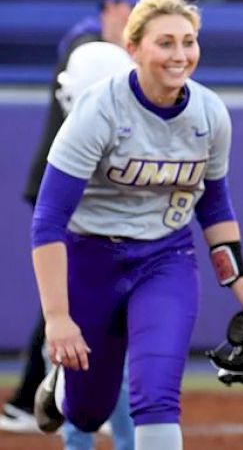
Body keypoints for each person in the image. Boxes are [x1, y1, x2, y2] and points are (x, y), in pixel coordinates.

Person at [30, 0, 243, 450]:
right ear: (133, 48)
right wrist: (56, 318)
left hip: (165, 258)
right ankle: (63, 387)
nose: (180, 54)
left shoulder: (209, 113)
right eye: (165, 42)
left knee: (156, 394)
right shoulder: (100, 110)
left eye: (188, 40)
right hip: (92, 259)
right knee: (89, 411)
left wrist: (242, 286)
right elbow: (49, 220)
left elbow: (214, 207)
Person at [3, 0, 148, 436]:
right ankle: (46, 398)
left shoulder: (101, 45)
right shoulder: (86, 44)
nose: (132, 28)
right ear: (111, 9)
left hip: (86, 185)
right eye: (130, 14)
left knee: (72, 297)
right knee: (69, 297)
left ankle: (42, 398)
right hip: (69, 184)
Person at [52, 41, 139, 450]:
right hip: (94, 263)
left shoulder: (105, 139)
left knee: (101, 364)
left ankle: (103, 441)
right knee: (93, 362)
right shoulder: (84, 141)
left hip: (111, 262)